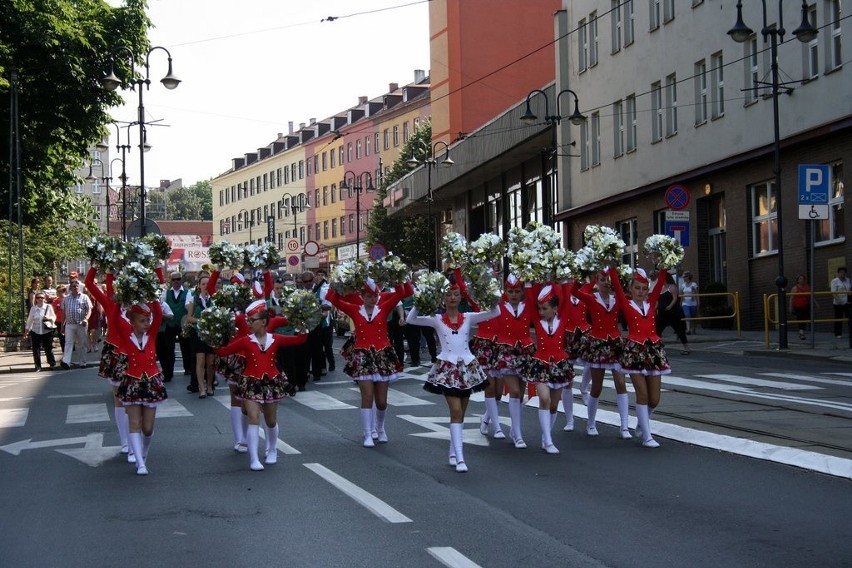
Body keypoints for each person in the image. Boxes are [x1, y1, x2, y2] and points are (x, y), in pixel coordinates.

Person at [406, 273, 500, 472]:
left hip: (467, 368)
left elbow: (495, 312)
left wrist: (487, 292)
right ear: (443, 298)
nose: (452, 297)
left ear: (460, 296)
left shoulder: (468, 317)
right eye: (448, 294)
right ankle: (460, 458)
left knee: (461, 413)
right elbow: (410, 319)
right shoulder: (437, 319)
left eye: (456, 294)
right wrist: (421, 299)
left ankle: (453, 451)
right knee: (455, 411)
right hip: (447, 369)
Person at [215, 300, 308, 471]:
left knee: (271, 421)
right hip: (250, 383)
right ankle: (254, 458)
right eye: (248, 320)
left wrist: (304, 324)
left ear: (263, 322)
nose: (249, 323)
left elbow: (299, 340)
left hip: (271, 383)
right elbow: (222, 351)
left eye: (253, 320)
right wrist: (214, 338)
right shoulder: (245, 341)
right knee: (253, 417)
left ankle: (272, 450)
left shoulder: (276, 339)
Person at [326, 278, 413, 447]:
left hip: (382, 356)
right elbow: (332, 299)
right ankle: (367, 433)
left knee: (381, 401)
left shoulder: (384, 307)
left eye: (375, 296)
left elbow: (406, 293)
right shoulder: (355, 309)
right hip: (363, 357)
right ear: (362, 296)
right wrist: (336, 284)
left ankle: (380, 428)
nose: (372, 299)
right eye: (369, 296)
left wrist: (400, 277)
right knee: (367, 395)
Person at [608, 266, 670, 448]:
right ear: (630, 289)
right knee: (642, 395)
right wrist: (611, 265)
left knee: (654, 399)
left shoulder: (651, 302)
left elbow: (660, 283)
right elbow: (617, 286)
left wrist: (664, 264)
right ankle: (647, 436)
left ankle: (642, 422)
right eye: (637, 288)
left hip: (653, 352)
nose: (641, 292)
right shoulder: (626, 304)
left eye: (644, 288)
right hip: (634, 352)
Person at [571, 272, 632, 438]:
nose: (606, 282)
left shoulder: (617, 298)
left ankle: (624, 426)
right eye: (603, 279)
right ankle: (591, 423)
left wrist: (615, 274)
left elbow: (625, 295)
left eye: (609, 280)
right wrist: (584, 273)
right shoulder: (592, 298)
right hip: (598, 344)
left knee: (621, 383)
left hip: (615, 344)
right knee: (596, 387)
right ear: (597, 281)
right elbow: (574, 291)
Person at [116, 302, 167, 475]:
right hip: (132, 383)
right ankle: (140, 462)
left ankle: (143, 452)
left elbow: (159, 315)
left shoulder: (151, 335)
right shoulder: (126, 335)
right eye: (142, 321)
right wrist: (119, 300)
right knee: (134, 423)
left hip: (151, 383)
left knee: (147, 428)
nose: (146, 324)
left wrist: (152, 296)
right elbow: (115, 318)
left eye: (147, 320)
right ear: (133, 322)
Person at [526, 282, 575, 455]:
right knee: (544, 400)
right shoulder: (538, 323)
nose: (541, 312)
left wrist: (564, 281)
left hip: (559, 365)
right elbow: (530, 297)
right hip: (541, 364)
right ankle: (547, 440)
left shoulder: (562, 319)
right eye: (539, 309)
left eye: (545, 308)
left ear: (555, 308)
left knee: (554, 406)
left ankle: (546, 436)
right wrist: (528, 281)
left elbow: (567, 302)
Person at [185, 272, 217, 397]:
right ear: (199, 286)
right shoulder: (193, 299)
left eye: (208, 284)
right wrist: (201, 321)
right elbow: (189, 318)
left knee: (210, 361)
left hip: (212, 333)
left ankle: (209, 385)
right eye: (203, 284)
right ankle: (201, 388)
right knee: (200, 360)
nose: (205, 286)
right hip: (197, 333)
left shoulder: (214, 298)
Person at [157, 272, 193, 384]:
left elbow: (188, 306)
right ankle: (169, 372)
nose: (176, 281)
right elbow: (161, 305)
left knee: (185, 346)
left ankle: (187, 368)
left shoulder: (187, 292)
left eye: (178, 279)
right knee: (168, 349)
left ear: (181, 280)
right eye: (174, 279)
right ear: (171, 281)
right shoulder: (165, 293)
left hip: (182, 324)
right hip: (169, 324)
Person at [60, 278, 92, 369]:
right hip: (69, 324)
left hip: (81, 324)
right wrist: (62, 326)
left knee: (82, 344)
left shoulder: (84, 297)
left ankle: (82, 362)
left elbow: (89, 309)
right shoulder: (66, 299)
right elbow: (63, 313)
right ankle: (66, 362)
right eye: (73, 286)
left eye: (77, 286)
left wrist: (86, 319)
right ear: (70, 288)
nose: (75, 287)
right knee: (68, 343)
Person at [656, 273, 690, 355]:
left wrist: (670, 306)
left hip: (672, 313)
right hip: (662, 313)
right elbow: (658, 300)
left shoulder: (672, 287)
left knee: (679, 330)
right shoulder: (661, 288)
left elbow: (675, 298)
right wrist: (656, 308)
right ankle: (658, 347)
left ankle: (686, 347)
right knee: (657, 330)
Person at [25, 291, 57, 371]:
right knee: (36, 349)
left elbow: (54, 317)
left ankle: (52, 364)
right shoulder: (33, 308)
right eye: (38, 298)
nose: (40, 299)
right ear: (35, 299)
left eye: (42, 298)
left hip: (46, 331)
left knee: (48, 348)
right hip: (35, 331)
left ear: (44, 299)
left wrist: (48, 318)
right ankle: (38, 366)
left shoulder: (48, 307)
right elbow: (29, 320)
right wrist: (26, 331)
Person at [789, 274, 813, 341]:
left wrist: (815, 304)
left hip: (806, 306)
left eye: (803, 279)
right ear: (797, 280)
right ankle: (801, 333)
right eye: (800, 279)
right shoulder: (795, 288)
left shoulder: (807, 287)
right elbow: (791, 298)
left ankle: (801, 331)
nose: (801, 280)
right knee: (800, 318)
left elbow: (810, 296)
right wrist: (790, 307)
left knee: (804, 319)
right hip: (798, 306)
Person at [830, 266, 851, 338]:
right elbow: (833, 292)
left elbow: (849, 289)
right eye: (841, 272)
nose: (843, 274)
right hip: (838, 303)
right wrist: (838, 300)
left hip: (847, 302)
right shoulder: (835, 281)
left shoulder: (848, 280)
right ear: (838, 273)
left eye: (844, 272)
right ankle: (838, 334)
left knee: (850, 318)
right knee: (839, 318)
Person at [51, 285, 67, 354]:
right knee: (61, 337)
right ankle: (64, 351)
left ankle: (71, 351)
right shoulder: (55, 301)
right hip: (58, 321)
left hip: (68, 321)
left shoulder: (67, 299)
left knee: (68, 337)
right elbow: (53, 312)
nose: (59, 293)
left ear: (64, 291)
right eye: (58, 292)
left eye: (61, 291)